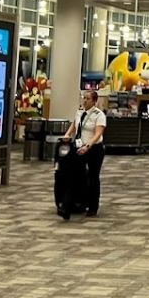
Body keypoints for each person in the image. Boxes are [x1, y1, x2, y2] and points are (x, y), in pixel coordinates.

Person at [61, 90, 107, 220]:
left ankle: (93, 207)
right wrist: (67, 135)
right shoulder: (79, 112)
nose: (85, 100)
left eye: (88, 98)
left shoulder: (99, 115)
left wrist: (88, 146)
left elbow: (98, 133)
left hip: (94, 149)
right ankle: (67, 206)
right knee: (72, 175)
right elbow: (75, 125)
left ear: (94, 101)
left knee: (93, 177)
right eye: (84, 98)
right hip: (78, 147)